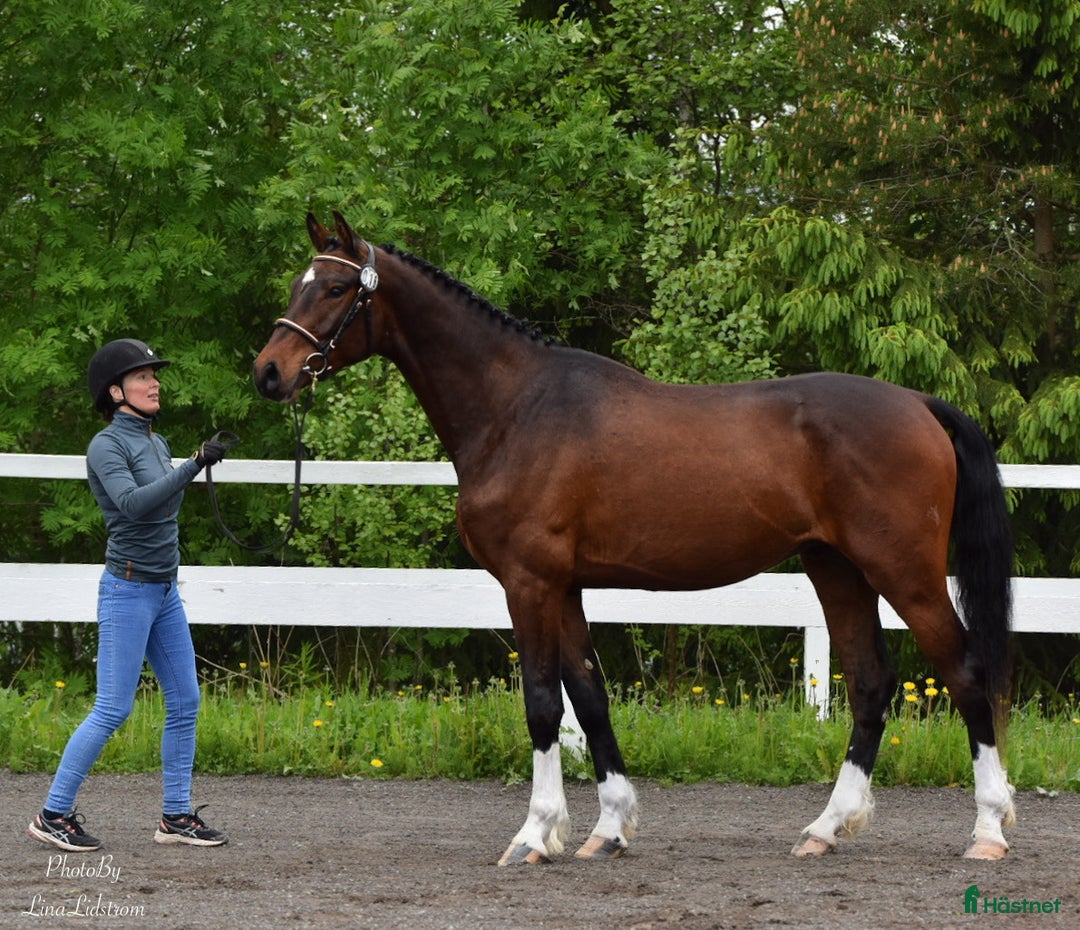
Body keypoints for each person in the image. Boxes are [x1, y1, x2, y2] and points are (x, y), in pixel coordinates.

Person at [28, 338, 230, 851]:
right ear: (116, 391)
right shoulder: (106, 445)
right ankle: (52, 813)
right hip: (128, 590)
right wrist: (192, 466)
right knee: (112, 708)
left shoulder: (155, 443)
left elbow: (167, 506)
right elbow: (133, 505)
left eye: (153, 375)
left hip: (164, 590)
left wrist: (187, 464)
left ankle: (176, 817)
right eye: (143, 376)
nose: (154, 382)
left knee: (185, 700)